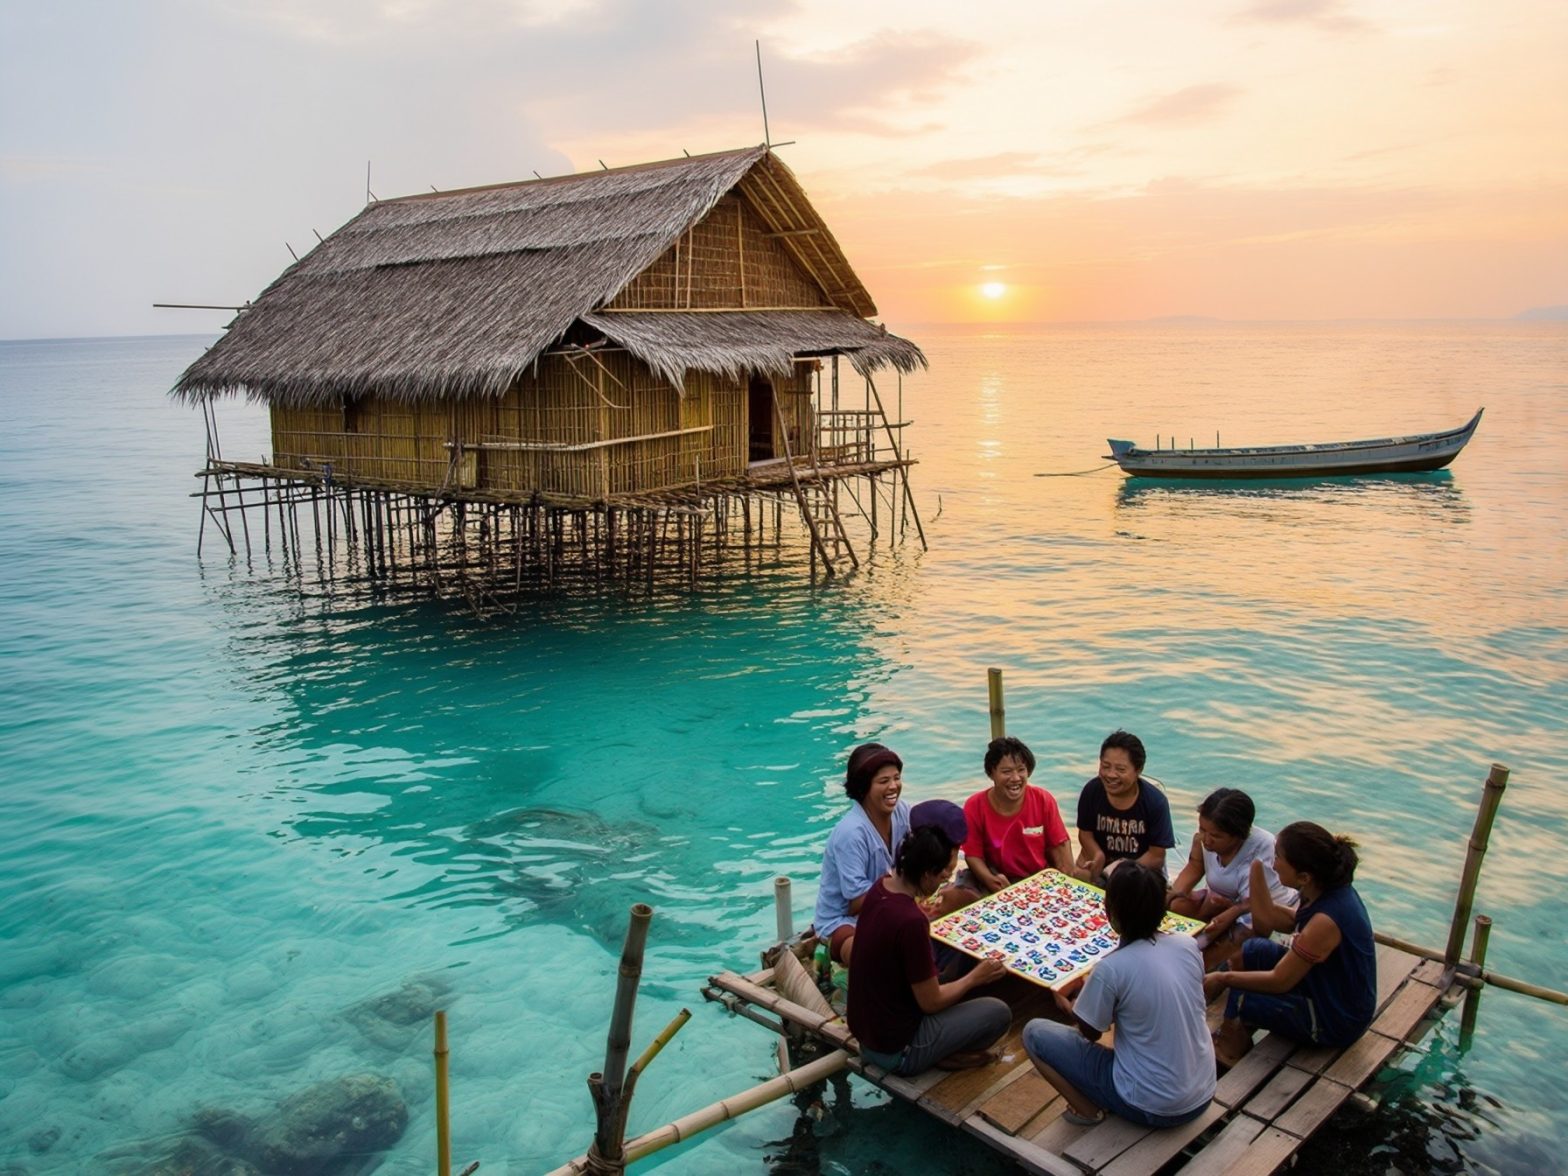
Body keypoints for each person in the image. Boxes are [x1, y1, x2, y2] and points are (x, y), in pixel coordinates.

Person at [1021, 863, 1215, 1127]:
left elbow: (1090, 1032)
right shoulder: (1187, 945)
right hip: (1202, 1092)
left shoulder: (1111, 969)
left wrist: (1073, 1001)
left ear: (1110, 913)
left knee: (1034, 1033)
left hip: (1153, 1106)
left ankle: (1087, 1111)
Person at [848, 800, 1012, 1075]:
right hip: (898, 1050)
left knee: (951, 965)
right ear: (926, 875)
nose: (942, 884)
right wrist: (976, 977)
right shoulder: (910, 921)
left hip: (868, 1035)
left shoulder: (880, 888)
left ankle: (939, 1047)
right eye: (941, 877)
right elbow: (931, 1002)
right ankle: (939, 1055)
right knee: (998, 1013)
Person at [1204, 822, 1377, 1068]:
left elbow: (1279, 980)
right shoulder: (1323, 892)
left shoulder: (1325, 922)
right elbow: (1273, 919)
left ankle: (1230, 1050)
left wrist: (1223, 979)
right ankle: (1243, 1027)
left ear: (1304, 876)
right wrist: (1255, 869)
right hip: (1323, 984)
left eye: (1278, 858)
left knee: (1242, 995)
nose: (1273, 864)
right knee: (1254, 951)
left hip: (1336, 1018)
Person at [1167, 788, 1295, 944]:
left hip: (1261, 915)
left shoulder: (1261, 853)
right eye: (1202, 829)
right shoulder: (1204, 838)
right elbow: (1195, 866)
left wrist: (1229, 914)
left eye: (1215, 836)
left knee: (1227, 945)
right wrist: (1169, 900)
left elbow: (1252, 907)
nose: (1206, 840)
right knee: (1176, 906)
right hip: (1221, 903)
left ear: (1238, 835)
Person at [962, 736, 1074, 893]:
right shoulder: (974, 805)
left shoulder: (1043, 800)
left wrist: (1067, 880)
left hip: (1036, 876)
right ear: (991, 773)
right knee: (960, 895)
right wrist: (989, 880)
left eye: (1021, 770)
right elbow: (973, 855)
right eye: (1006, 772)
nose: (1015, 778)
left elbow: (1060, 845)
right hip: (994, 874)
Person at [1074, 730, 1174, 884]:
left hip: (1140, 872)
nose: (1111, 775)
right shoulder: (1092, 791)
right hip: (1100, 867)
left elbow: (1156, 856)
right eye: (1105, 766)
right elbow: (1085, 834)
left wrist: (1120, 871)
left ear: (1138, 770)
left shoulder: (1155, 802)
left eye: (1120, 770)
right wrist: (1097, 855)